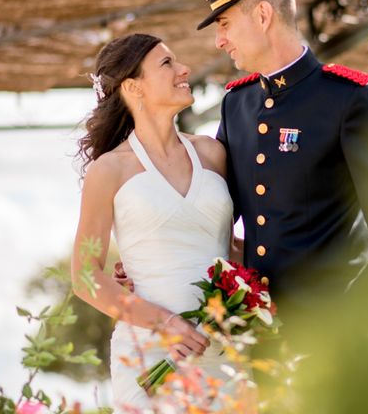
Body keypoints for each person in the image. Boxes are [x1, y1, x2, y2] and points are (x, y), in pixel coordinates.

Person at [187, 0, 368, 315]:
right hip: (260, 335)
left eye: (224, 24)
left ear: (263, 15)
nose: (220, 41)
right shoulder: (236, 104)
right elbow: (218, 211)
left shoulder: (348, 100)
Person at [71, 33, 242, 412]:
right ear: (134, 87)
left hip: (225, 349)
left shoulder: (213, 153)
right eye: (167, 64)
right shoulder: (109, 170)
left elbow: (230, 250)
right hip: (150, 356)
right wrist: (165, 323)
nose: (184, 70)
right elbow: (84, 275)